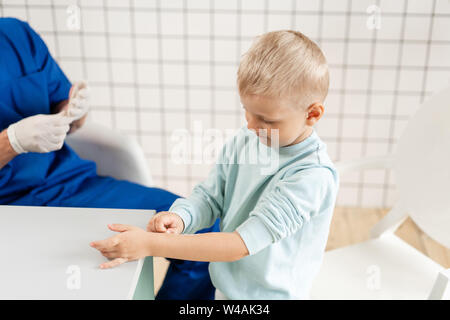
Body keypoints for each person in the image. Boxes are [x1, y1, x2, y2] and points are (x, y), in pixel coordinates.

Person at [91, 30, 340, 299]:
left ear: (312, 114)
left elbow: (240, 244)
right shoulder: (249, 139)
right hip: (227, 285)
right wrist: (181, 217)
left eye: (267, 120)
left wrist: (151, 244)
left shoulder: (311, 176)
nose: (251, 125)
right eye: (248, 111)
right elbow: (211, 197)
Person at [0, 17, 219, 300]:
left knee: (201, 234)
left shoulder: (17, 35)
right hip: (9, 207)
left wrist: (74, 110)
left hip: (68, 187)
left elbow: (65, 113)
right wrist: (11, 141)